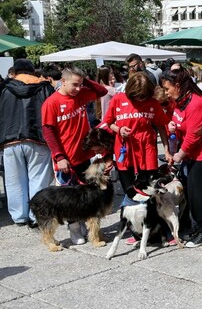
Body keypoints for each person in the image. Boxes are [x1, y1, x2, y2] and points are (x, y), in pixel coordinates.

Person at [42, 67, 109, 242]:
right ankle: (75, 231)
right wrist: (59, 156)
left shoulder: (81, 95)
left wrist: (85, 80)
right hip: (65, 160)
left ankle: (88, 228)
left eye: (81, 85)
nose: (79, 89)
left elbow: (101, 91)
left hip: (84, 157)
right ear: (62, 81)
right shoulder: (52, 102)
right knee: (68, 200)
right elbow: (48, 132)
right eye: (75, 84)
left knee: (88, 197)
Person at [161, 69, 202, 247]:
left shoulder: (197, 102)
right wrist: (173, 126)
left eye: (167, 88)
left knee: (199, 196)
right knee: (191, 194)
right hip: (193, 155)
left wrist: (179, 155)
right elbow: (181, 123)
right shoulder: (180, 101)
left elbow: (194, 135)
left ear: (178, 86)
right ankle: (201, 226)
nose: (166, 93)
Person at [0, 59, 55, 227]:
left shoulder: (4, 89)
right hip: (38, 138)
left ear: (15, 72)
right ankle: (35, 214)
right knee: (38, 178)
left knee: (14, 181)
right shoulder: (45, 87)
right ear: (33, 71)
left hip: (10, 140)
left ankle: (19, 217)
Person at [102, 72, 170, 195]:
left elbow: (161, 126)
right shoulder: (118, 99)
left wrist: (166, 150)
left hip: (146, 148)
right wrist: (119, 129)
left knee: (148, 189)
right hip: (125, 148)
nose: (140, 99)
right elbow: (108, 122)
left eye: (143, 96)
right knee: (129, 190)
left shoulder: (153, 103)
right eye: (137, 95)